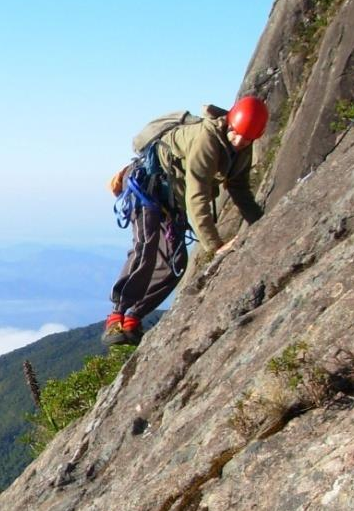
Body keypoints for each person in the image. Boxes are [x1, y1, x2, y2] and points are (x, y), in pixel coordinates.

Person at [103, 95, 269, 346]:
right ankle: (116, 316)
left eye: (247, 139)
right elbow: (197, 194)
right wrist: (215, 245)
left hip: (171, 199)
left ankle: (133, 318)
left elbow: (239, 189)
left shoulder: (243, 146)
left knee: (174, 263)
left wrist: (261, 224)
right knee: (146, 246)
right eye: (237, 135)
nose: (240, 142)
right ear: (230, 124)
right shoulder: (207, 139)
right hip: (148, 187)